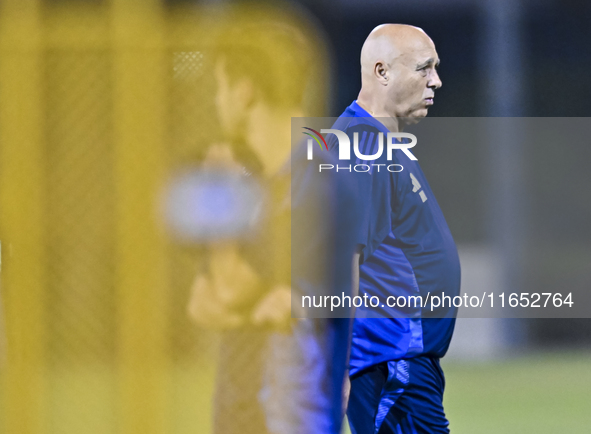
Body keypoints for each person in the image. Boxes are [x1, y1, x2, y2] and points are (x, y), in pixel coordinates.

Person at [187, 20, 357, 434]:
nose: (217, 100)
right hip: (247, 410)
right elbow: (202, 304)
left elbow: (228, 290)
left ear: (245, 92)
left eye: (221, 86)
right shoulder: (263, 182)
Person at [330, 24, 461, 434]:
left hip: (402, 360)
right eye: (424, 68)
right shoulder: (363, 148)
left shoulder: (381, 143)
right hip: (389, 361)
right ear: (382, 72)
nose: (436, 80)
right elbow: (341, 261)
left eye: (435, 68)